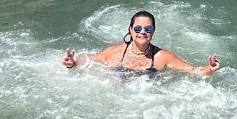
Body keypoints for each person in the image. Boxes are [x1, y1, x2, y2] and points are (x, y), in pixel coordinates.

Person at [62, 11, 221, 76]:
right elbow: (89, 59)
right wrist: (72, 63)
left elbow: (194, 70)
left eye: (148, 28)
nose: (142, 31)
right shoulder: (115, 51)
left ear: (153, 31)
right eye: (137, 28)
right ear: (130, 30)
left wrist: (210, 68)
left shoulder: (162, 57)